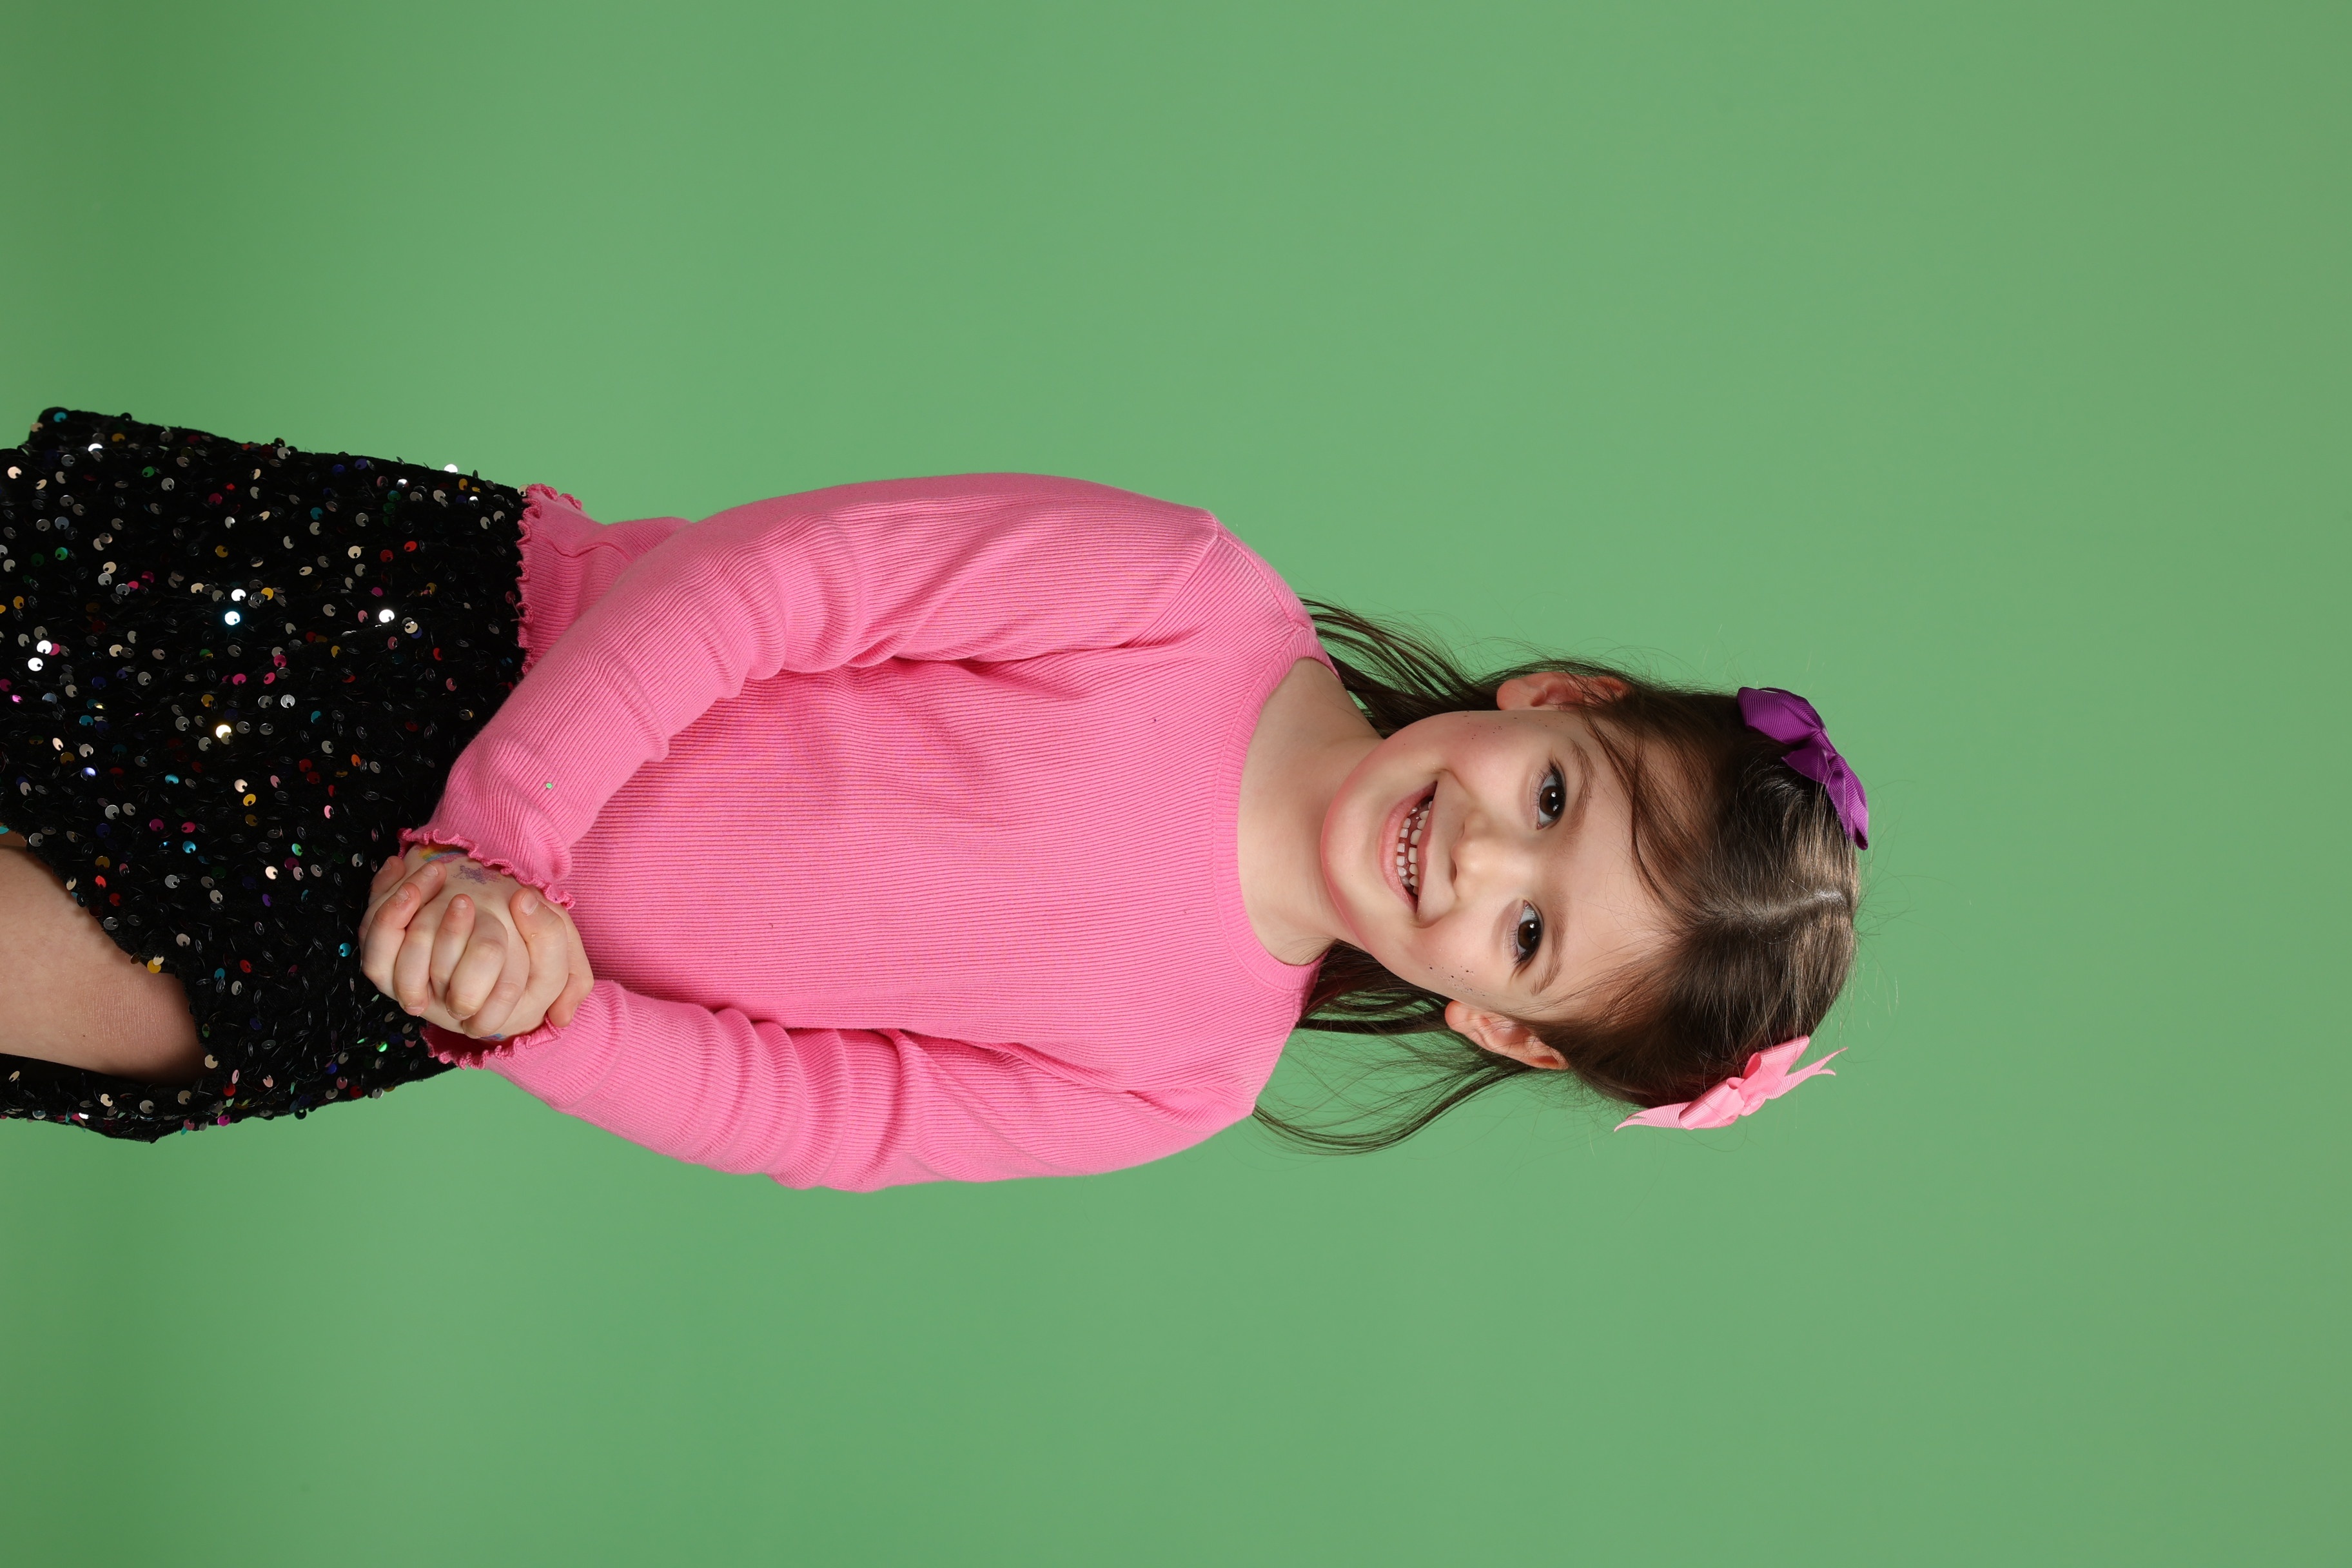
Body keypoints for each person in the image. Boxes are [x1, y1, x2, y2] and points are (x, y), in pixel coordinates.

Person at [1, 408, 1865, 1187]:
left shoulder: (1180, 1080)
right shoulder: (1188, 599)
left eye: (1531, 933)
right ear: (1556, 699)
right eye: (1555, 794)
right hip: (441, 650)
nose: (1480, 858)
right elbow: (782, 582)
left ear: (1501, 1024)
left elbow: (834, 1114)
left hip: (442, 964)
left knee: (63, 980)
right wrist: (502, 830)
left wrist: (547, 1017)